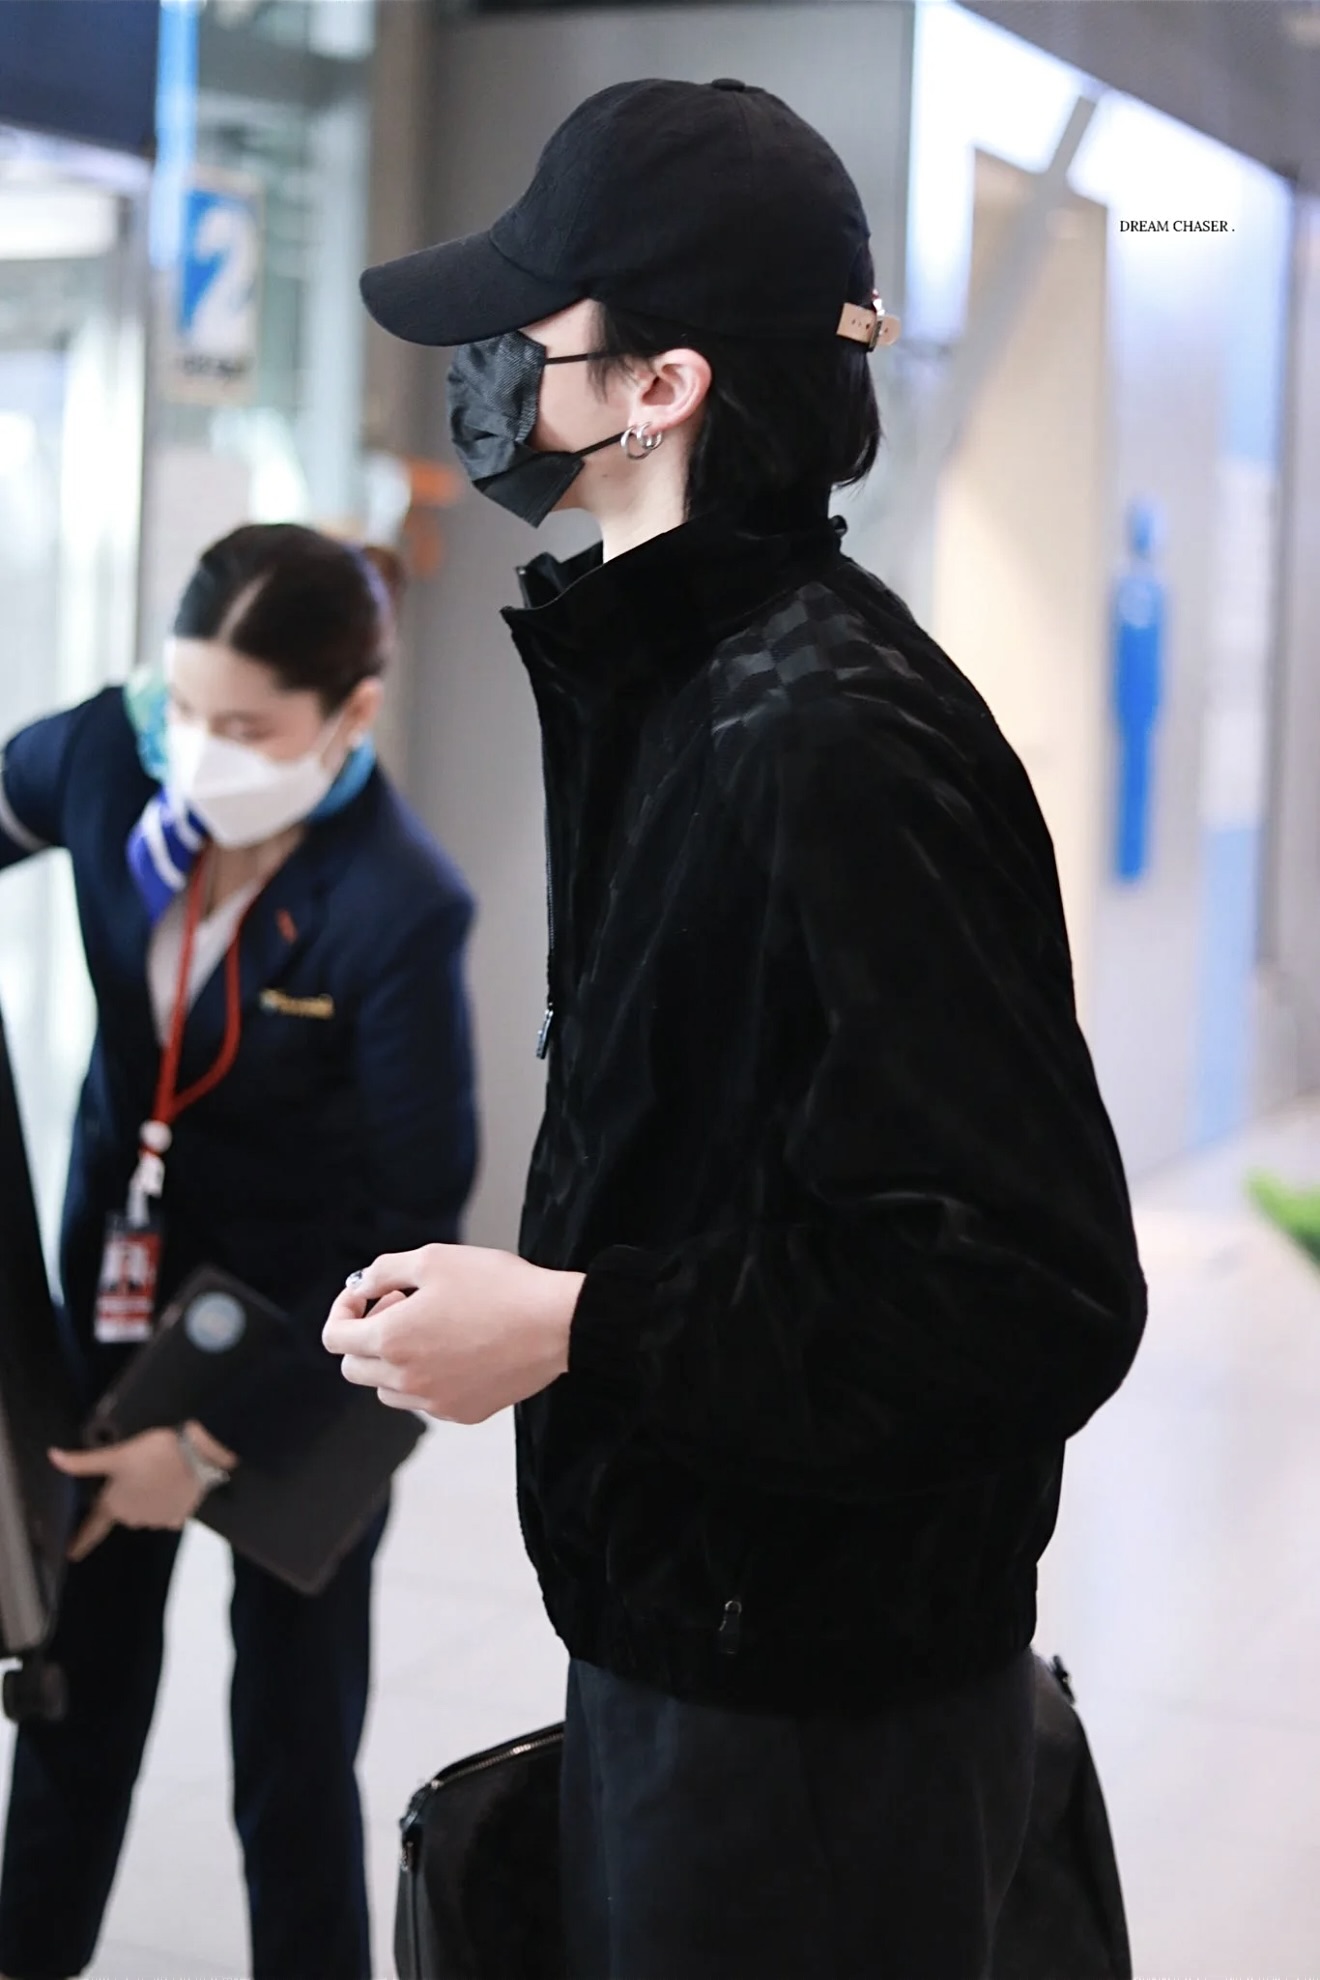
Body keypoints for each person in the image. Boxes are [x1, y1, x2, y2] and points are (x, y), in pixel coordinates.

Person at [325, 79, 1147, 1979]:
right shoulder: (681, 678)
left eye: (529, 330)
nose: (489, 369)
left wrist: (573, 1324)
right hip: (708, 1644)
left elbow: (1024, 1291)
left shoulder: (820, 736)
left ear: (661, 385)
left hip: (814, 1724)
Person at [0, 525, 477, 1980]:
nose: (199, 750)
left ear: (349, 713)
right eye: (186, 706)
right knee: (75, 1700)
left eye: (249, 728)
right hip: (124, 1292)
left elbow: (413, 1226)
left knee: (292, 1736)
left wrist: (209, 1446)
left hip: (308, 1338)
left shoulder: (395, 905)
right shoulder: (109, 757)